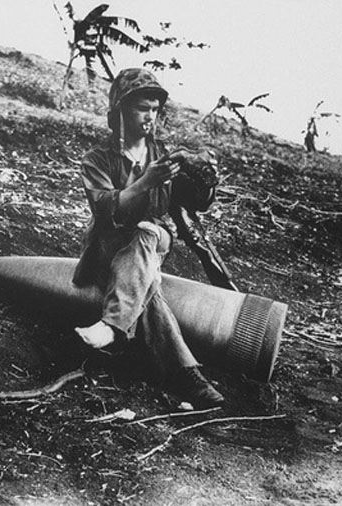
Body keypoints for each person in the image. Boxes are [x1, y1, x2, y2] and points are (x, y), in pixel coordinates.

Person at [72, 68, 225, 409]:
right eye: (143, 108)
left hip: (153, 241)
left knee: (147, 232)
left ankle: (112, 326)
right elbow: (105, 211)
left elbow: (196, 201)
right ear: (121, 111)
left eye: (155, 110)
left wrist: (207, 179)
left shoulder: (165, 155)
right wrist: (145, 182)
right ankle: (188, 375)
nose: (150, 117)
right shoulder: (97, 159)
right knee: (148, 284)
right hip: (108, 247)